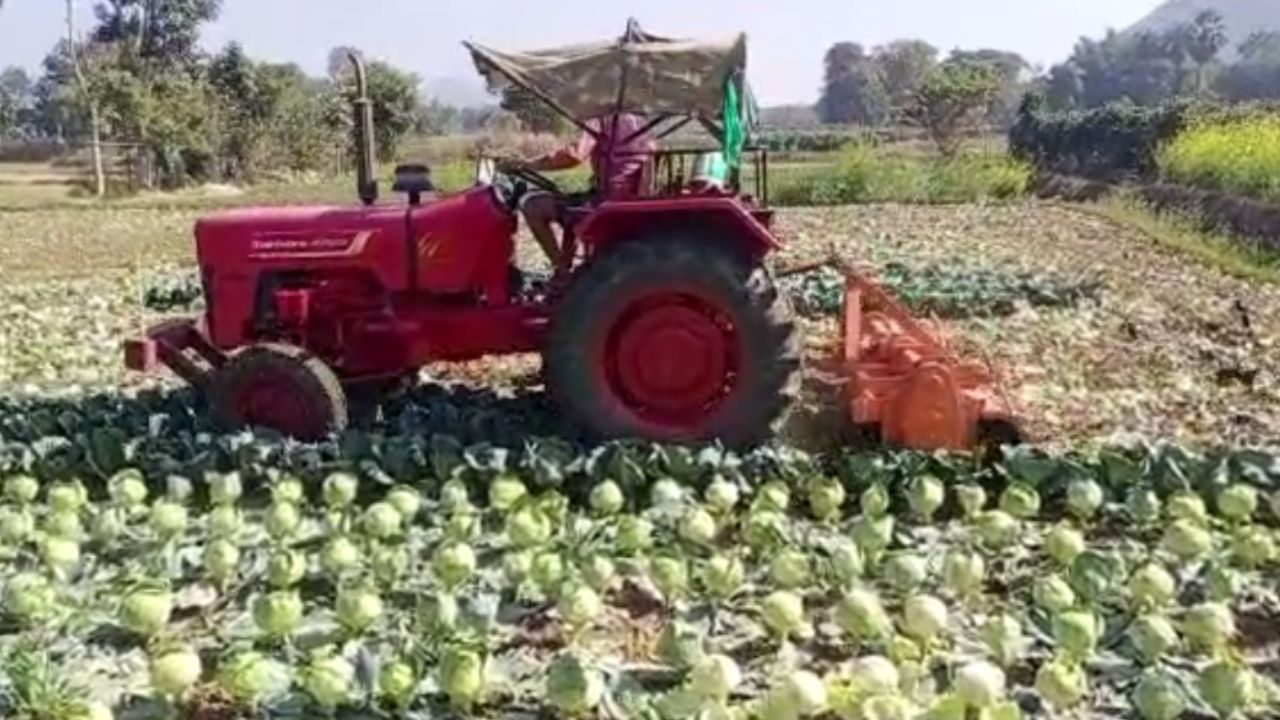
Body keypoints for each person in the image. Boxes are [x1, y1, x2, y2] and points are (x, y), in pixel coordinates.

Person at [505, 113, 656, 266]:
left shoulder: (603, 117)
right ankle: (568, 267)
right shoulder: (642, 121)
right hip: (633, 196)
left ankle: (561, 267)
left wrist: (525, 164)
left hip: (607, 199)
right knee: (569, 200)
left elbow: (574, 156)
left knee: (532, 205)